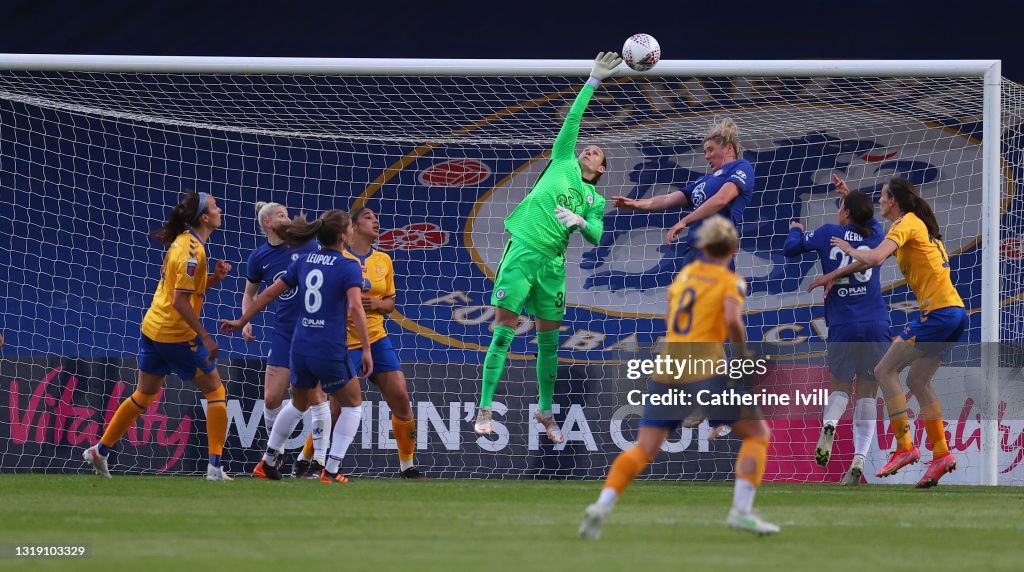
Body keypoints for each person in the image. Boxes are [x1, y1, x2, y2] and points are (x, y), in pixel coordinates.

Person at [580, 216, 779, 539]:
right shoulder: (731, 281)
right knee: (756, 435)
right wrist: (742, 354)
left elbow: (673, 318)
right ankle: (741, 512)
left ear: (700, 246)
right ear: (734, 247)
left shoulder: (683, 277)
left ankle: (601, 506)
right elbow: (732, 319)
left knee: (644, 448)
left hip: (669, 367)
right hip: (705, 370)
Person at [473, 51, 621, 442]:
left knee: (550, 344)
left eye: (596, 154)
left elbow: (597, 236)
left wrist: (581, 222)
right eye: (587, 148)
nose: (588, 151)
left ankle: (544, 411)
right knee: (503, 332)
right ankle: (485, 409)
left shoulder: (595, 200)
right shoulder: (561, 162)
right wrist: (593, 80)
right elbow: (573, 120)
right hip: (523, 253)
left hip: (553, 268)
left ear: (601, 170)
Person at [811, 177, 966, 488]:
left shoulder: (906, 223)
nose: (878, 202)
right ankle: (941, 455)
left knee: (884, 370)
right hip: (956, 313)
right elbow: (870, 260)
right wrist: (836, 274)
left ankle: (905, 447)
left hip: (937, 313)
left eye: (882, 196)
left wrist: (847, 249)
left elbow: (874, 258)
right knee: (917, 381)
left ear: (893, 201)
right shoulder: (916, 226)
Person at [84, 191, 233, 481]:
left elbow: (181, 290)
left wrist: (214, 278)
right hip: (175, 334)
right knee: (216, 391)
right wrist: (205, 336)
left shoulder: (184, 242)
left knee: (144, 393)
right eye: (215, 206)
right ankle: (215, 468)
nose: (220, 209)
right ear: (204, 217)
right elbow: (179, 301)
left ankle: (99, 451)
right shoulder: (193, 251)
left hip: (152, 328)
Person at [220, 209, 372, 483]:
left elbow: (267, 293)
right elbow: (355, 307)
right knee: (353, 405)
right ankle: (332, 469)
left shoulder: (304, 260)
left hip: (300, 344)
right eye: (350, 227)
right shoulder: (348, 266)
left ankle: (267, 462)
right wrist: (367, 348)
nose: (353, 231)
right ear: (343, 235)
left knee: (299, 402)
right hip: (328, 346)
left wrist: (241, 320)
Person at [783, 174, 887, 485]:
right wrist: (849, 194)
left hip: (843, 324)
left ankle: (829, 425)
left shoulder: (829, 233)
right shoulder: (877, 237)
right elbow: (869, 219)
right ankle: (859, 459)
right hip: (876, 323)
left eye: (841, 205)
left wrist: (796, 229)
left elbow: (790, 249)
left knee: (840, 388)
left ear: (844, 214)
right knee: (868, 393)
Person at [331, 207, 425, 478]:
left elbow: (391, 303)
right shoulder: (339, 257)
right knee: (337, 407)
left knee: (402, 399)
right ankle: (311, 462)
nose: (376, 220)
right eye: (369, 217)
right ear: (354, 226)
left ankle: (407, 466)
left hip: (376, 338)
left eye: (376, 217)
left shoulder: (383, 259)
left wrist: (377, 303)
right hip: (342, 341)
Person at [241, 201, 324, 479]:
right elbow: (250, 293)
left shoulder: (308, 246)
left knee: (315, 398)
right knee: (272, 397)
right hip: (284, 332)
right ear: (266, 223)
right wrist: (246, 319)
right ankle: (278, 453)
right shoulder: (258, 257)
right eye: (280, 215)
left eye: (288, 214)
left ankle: (315, 463)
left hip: (313, 331)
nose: (287, 218)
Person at [608, 116, 753, 269]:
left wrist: (684, 221)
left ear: (729, 148)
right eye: (704, 151)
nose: (706, 156)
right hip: (693, 252)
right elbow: (666, 199)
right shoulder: (702, 181)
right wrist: (636, 204)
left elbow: (721, 200)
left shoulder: (741, 167)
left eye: (710, 150)